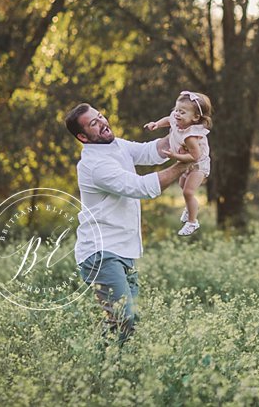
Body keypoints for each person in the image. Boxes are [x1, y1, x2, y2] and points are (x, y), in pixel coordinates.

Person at [65, 102, 186, 345]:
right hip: (101, 253)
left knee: (127, 323)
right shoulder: (95, 165)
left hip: (124, 250)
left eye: (100, 117)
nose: (102, 124)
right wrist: (185, 163)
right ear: (82, 136)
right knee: (125, 318)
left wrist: (184, 131)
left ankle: (107, 368)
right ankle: (99, 363)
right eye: (93, 124)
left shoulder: (116, 145)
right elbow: (140, 188)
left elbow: (154, 150)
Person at [144, 91, 212, 236]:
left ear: (195, 117)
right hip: (187, 161)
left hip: (199, 165)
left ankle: (193, 222)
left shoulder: (190, 136)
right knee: (182, 185)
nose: (177, 114)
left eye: (182, 112)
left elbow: (195, 156)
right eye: (176, 110)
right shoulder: (176, 120)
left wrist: (175, 155)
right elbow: (168, 120)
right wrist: (156, 124)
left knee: (188, 192)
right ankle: (189, 208)